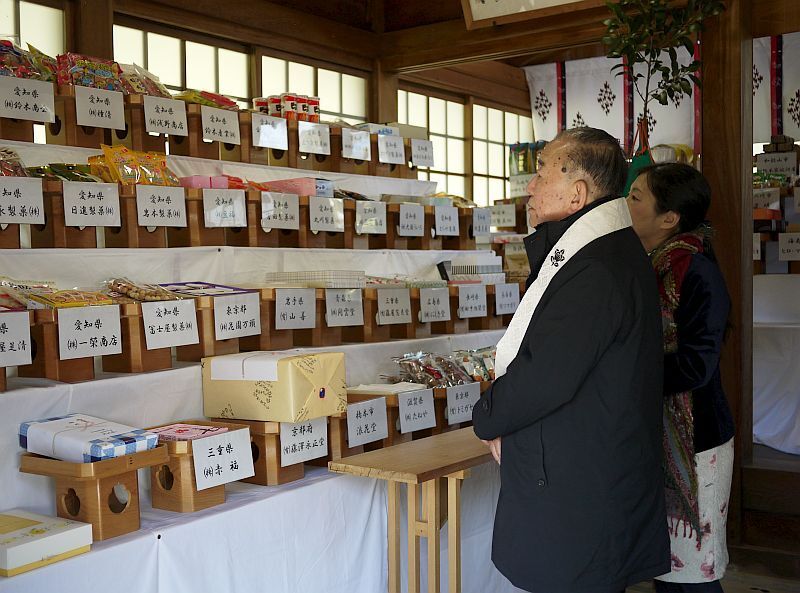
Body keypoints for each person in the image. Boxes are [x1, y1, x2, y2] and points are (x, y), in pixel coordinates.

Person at [472, 127, 670, 593]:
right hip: (585, 471)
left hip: (580, 486)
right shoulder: (601, 253)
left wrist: (487, 414)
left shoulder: (597, 268)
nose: (531, 185)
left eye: (541, 171)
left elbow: (547, 375)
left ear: (578, 193)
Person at [626, 163, 735, 593]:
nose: (625, 204)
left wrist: (625, 375)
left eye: (635, 197)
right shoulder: (641, 266)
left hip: (697, 444)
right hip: (652, 435)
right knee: (665, 569)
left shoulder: (697, 271)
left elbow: (696, 366)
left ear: (669, 218)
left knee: (694, 573)